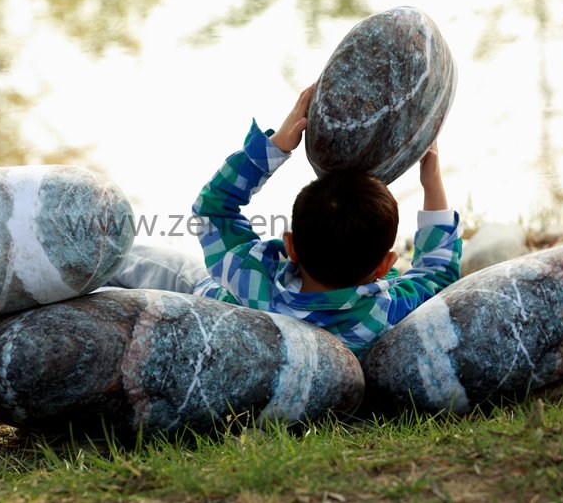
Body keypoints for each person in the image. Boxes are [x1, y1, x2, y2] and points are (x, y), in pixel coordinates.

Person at [187, 84, 463, 356]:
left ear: (291, 246)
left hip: (197, 297)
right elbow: (437, 274)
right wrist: (432, 180)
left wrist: (276, 145)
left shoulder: (251, 278)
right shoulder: (382, 314)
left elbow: (212, 210)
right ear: (385, 265)